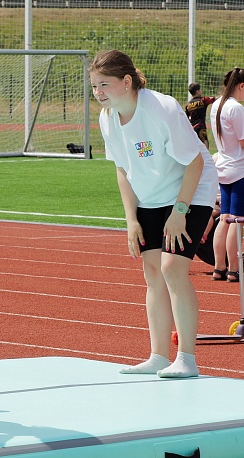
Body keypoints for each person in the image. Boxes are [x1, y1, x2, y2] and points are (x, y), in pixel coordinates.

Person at [89, 50, 217, 379]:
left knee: (173, 267)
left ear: (127, 82)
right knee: (152, 273)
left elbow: (195, 163)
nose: (98, 92)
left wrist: (180, 211)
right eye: (93, 86)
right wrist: (131, 220)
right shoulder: (107, 118)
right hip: (149, 197)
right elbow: (122, 169)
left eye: (104, 84)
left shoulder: (161, 108)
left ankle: (186, 358)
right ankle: (158, 355)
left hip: (191, 188)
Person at [209, 68, 244, 283]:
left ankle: (218, 266)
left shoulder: (216, 105)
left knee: (224, 217)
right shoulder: (236, 108)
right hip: (239, 168)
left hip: (223, 165)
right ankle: (234, 268)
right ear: (241, 86)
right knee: (237, 221)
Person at [185, 83, 216, 149]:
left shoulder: (188, 105)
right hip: (201, 126)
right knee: (205, 141)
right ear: (197, 91)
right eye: (200, 90)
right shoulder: (202, 100)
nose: (201, 91)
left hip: (192, 128)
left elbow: (186, 117)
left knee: (195, 145)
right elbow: (213, 99)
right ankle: (206, 157)